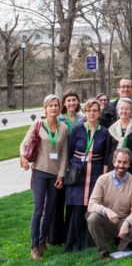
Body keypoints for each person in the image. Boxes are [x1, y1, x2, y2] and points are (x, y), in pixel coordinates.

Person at [20, 95, 69, 260]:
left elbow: (64, 154)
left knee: (49, 210)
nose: (53, 108)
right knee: (38, 210)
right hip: (40, 172)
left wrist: (61, 176)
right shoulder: (38, 125)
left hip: (55, 174)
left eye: (56, 105)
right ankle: (34, 247)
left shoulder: (64, 128)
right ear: (45, 108)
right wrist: (23, 157)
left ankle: (42, 242)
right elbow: (24, 144)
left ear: (59, 107)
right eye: (50, 106)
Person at [65, 99, 110, 252]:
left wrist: (103, 176)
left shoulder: (104, 131)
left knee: (91, 209)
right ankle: (78, 243)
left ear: (99, 112)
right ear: (84, 112)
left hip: (95, 173)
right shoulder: (77, 130)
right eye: (89, 110)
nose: (92, 113)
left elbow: (106, 155)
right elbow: (70, 152)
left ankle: (88, 241)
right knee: (78, 209)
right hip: (79, 174)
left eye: (95, 110)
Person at [87, 149, 132, 260]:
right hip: (105, 219)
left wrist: (126, 223)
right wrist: (106, 210)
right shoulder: (102, 179)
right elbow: (91, 204)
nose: (121, 165)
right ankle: (103, 250)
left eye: (125, 162)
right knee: (92, 218)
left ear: (129, 164)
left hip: (122, 222)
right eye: (119, 161)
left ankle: (121, 249)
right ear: (114, 162)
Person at [54, 88, 85, 245]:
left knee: (73, 203)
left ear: (78, 102)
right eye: (69, 100)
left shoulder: (83, 119)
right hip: (61, 165)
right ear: (64, 103)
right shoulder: (59, 119)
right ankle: (57, 238)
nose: (72, 102)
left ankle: (70, 235)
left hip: (77, 166)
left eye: (74, 99)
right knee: (58, 203)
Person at [107, 98, 132, 179]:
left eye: (127, 109)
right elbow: (107, 151)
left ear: (131, 111)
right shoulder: (112, 128)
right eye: (121, 108)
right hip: (114, 166)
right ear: (117, 110)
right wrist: (105, 171)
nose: (124, 111)